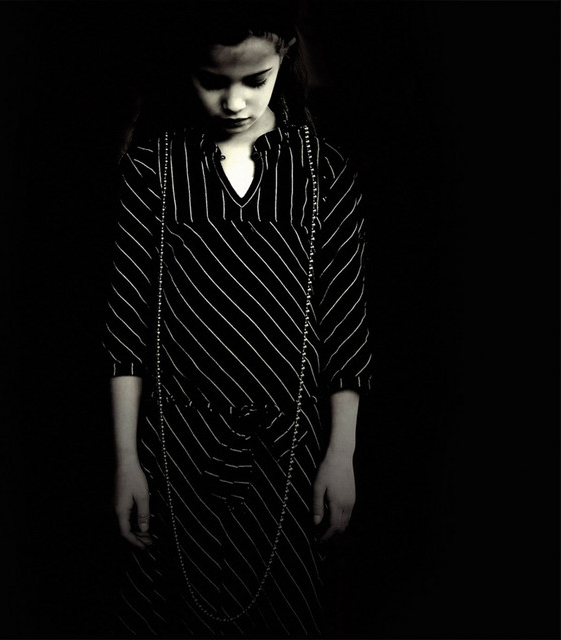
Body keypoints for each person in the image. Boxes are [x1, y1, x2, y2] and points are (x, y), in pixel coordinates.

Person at [102, 1, 372, 636]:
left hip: (291, 449)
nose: (234, 102)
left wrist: (342, 453)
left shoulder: (323, 173)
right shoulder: (154, 171)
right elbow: (126, 328)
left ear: (285, 58)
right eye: (212, 80)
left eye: (256, 79)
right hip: (174, 446)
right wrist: (125, 459)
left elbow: (346, 322)